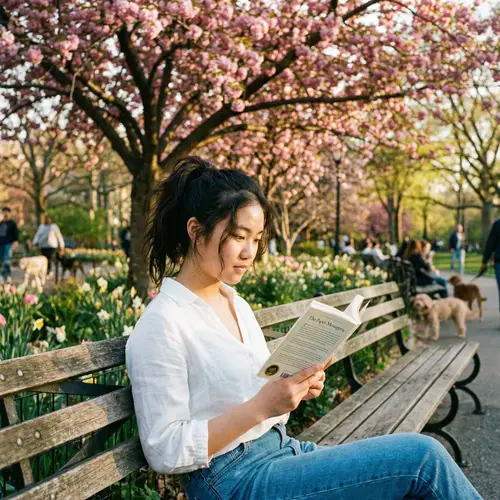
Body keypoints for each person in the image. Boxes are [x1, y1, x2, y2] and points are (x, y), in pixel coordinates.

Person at [125, 156, 480, 500]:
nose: (250, 252)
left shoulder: (234, 302)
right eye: (238, 235)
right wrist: (263, 407)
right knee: (422, 460)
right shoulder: (163, 323)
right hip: (233, 479)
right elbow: (165, 450)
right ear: (195, 231)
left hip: (281, 450)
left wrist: (295, 387)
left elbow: (255, 394)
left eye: (257, 238)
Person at [481, 219, 500, 315]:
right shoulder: (497, 224)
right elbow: (490, 244)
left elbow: (490, 244)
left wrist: (485, 261)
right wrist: (484, 261)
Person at [0, 207, 19, 282]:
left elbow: (16, 233)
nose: (5, 213)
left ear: (9, 213)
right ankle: (6, 275)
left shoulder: (12, 223)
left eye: (7, 212)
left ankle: (5, 275)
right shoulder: (1, 223)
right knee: (1, 259)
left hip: (8, 243)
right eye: (4, 212)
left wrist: (16, 241)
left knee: (6, 259)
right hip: (1, 243)